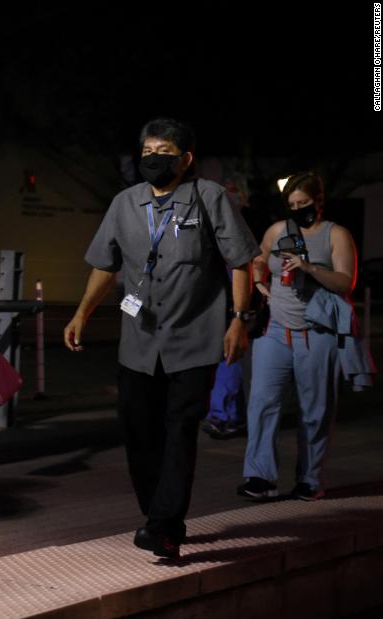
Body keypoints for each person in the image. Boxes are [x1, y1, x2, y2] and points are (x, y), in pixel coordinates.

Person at [63, 118, 259, 558]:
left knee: (179, 430)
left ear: (185, 158)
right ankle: (158, 516)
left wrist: (238, 319)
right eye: (147, 150)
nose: (153, 158)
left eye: (164, 151)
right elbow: (104, 265)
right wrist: (81, 313)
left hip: (195, 338)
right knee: (139, 430)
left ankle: (164, 526)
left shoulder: (209, 198)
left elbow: (242, 260)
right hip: (138, 342)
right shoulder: (124, 203)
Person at [238, 172, 365, 502]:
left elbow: (345, 282)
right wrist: (259, 282)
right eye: (292, 205)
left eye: (304, 204)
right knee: (263, 403)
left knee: (316, 409)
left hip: (318, 332)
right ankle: (260, 477)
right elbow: (259, 258)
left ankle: (309, 479)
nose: (297, 210)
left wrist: (309, 268)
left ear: (319, 202)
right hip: (276, 331)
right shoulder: (279, 230)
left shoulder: (335, 235)